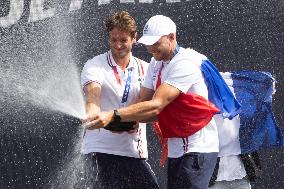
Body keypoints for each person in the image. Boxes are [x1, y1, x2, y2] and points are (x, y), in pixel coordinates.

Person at [84, 15, 221, 189]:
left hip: (197, 147)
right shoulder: (156, 64)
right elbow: (142, 101)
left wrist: (113, 116)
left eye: (156, 43)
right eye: (148, 43)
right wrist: (126, 121)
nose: (150, 48)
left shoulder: (185, 62)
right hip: (177, 148)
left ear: (171, 37)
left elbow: (155, 106)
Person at [80, 11, 159, 189]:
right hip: (101, 151)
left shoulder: (146, 68)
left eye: (123, 40)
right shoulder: (94, 65)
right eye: (113, 40)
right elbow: (93, 96)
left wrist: (124, 119)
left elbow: (154, 109)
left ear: (134, 38)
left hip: (134, 153)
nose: (118, 45)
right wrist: (96, 117)